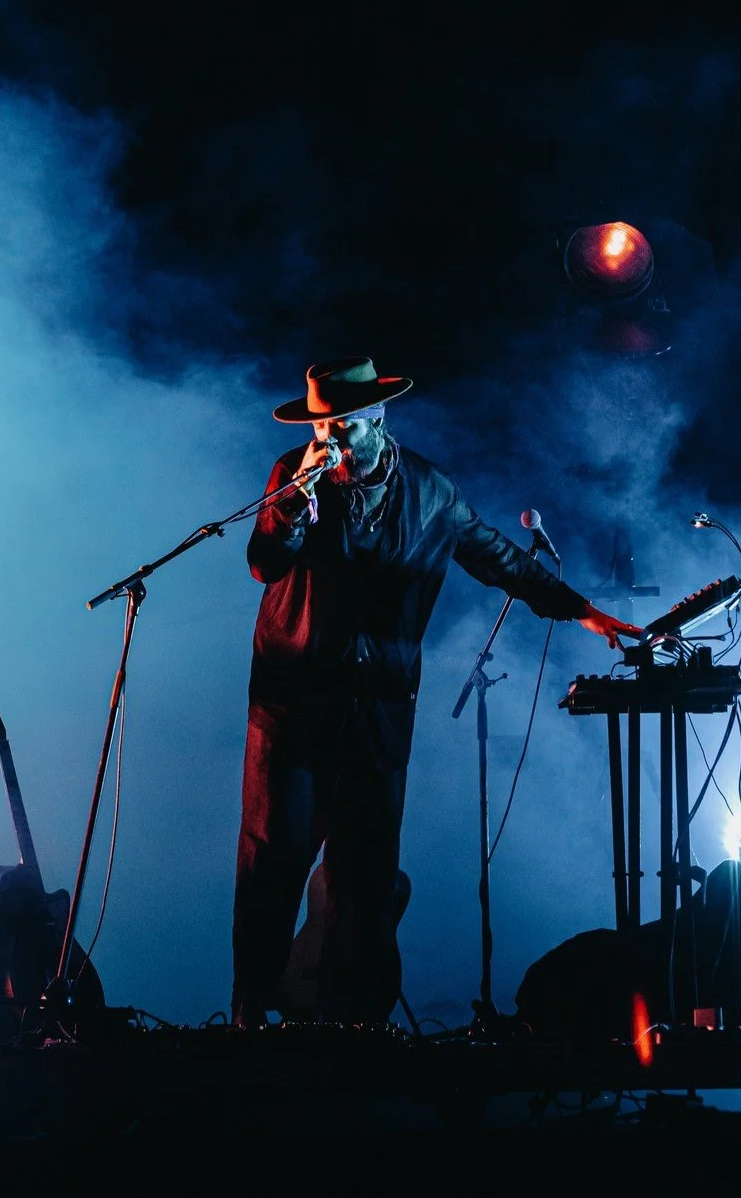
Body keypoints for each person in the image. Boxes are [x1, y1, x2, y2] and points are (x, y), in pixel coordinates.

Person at [230, 355, 641, 1030]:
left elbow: (499, 558)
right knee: (273, 859)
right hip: (294, 707)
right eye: (321, 423)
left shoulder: (431, 492)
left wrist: (585, 611)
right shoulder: (294, 477)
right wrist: (294, 508)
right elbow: (263, 563)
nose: (329, 436)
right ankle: (249, 1012)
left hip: (378, 712)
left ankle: (352, 1023)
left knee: (364, 875)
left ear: (377, 418)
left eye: (342, 423)